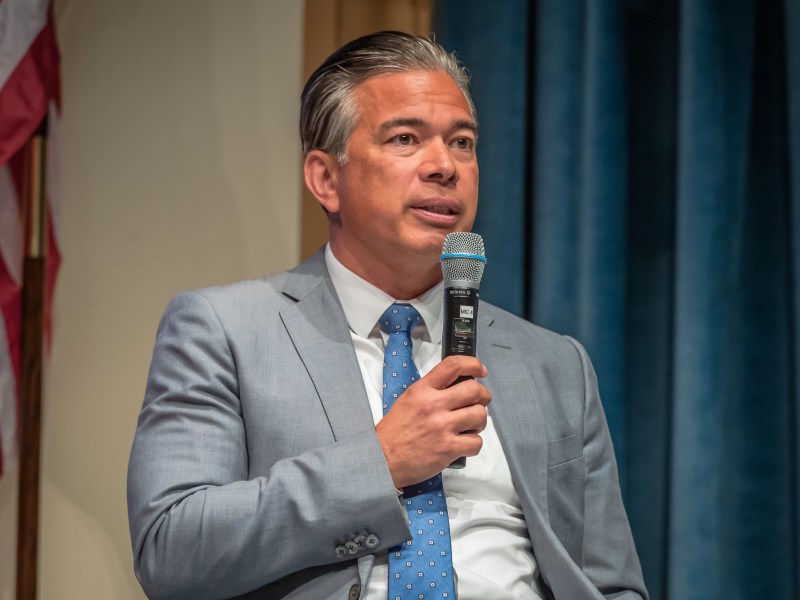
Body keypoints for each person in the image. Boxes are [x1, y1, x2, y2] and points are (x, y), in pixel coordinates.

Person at [127, 31, 648, 600]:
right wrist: (381, 462)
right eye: (406, 138)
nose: (444, 166)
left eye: (463, 143)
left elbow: (611, 583)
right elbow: (170, 551)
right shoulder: (224, 330)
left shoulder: (555, 363)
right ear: (326, 179)